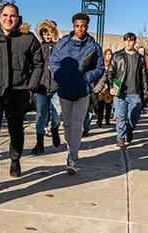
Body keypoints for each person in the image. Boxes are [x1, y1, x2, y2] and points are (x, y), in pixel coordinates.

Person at [0, 3, 44, 195]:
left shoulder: (28, 39)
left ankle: (15, 159)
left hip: (18, 93)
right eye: (5, 15)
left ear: (18, 18)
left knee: (16, 133)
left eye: (12, 16)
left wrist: (31, 85)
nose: (8, 19)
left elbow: (39, 64)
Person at [50, 13, 104, 174]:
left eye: (83, 26)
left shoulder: (93, 47)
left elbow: (100, 68)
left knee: (77, 125)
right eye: (77, 26)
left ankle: (72, 159)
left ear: (87, 27)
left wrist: (86, 78)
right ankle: (70, 148)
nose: (80, 29)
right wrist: (60, 77)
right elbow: (53, 63)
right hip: (65, 90)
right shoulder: (62, 44)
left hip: (82, 91)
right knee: (66, 124)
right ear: (73, 26)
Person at [107, 32, 148, 148]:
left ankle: (129, 131)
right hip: (120, 93)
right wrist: (112, 86)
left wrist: (145, 89)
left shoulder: (140, 58)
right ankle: (120, 138)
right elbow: (110, 72)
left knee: (133, 118)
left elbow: (144, 75)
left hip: (135, 93)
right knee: (121, 117)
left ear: (134, 42)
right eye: (126, 40)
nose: (128, 42)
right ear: (124, 41)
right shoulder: (117, 55)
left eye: (130, 40)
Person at [31, 20, 62, 155]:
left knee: (56, 114)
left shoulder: (59, 47)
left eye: (49, 33)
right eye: (44, 33)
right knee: (40, 115)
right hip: (41, 87)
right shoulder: (38, 48)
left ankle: (54, 129)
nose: (47, 36)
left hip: (56, 86)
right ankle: (39, 142)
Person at [93, 48, 114, 127]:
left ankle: (107, 119)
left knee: (109, 105)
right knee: (100, 105)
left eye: (110, 54)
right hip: (102, 86)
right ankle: (99, 120)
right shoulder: (101, 63)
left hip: (109, 86)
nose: (108, 56)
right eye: (107, 54)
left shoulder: (113, 64)